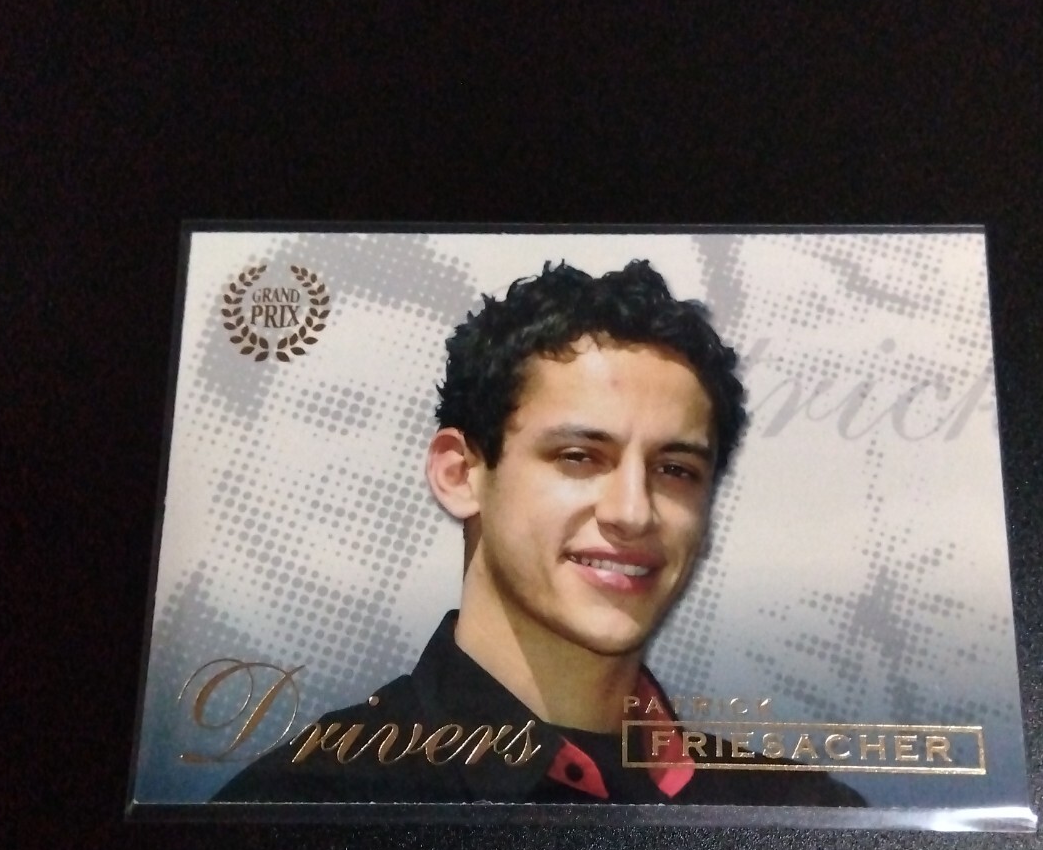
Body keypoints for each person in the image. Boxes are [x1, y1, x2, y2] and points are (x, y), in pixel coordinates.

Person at [214, 260, 861, 807]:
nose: (632, 512)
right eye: (579, 457)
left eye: (675, 470)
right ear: (460, 474)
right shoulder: (299, 810)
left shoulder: (803, 816)